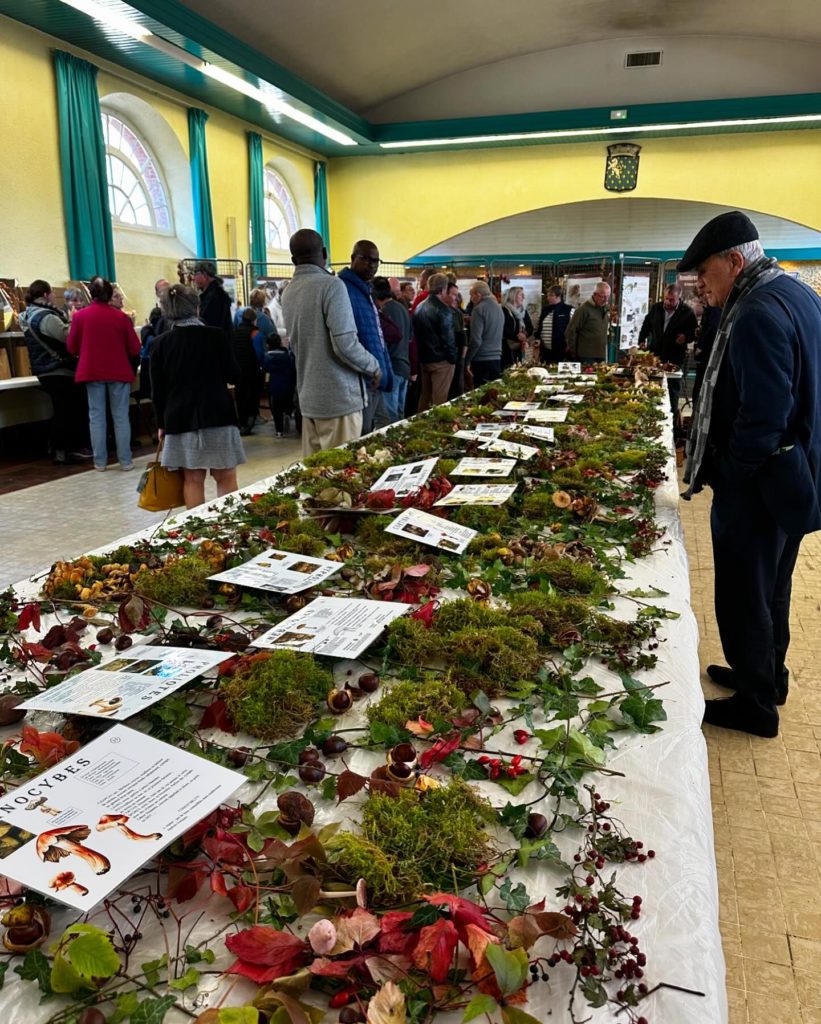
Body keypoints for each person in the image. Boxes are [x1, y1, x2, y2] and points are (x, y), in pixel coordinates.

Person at [680, 210, 821, 738]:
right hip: (794, 478)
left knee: (743, 595)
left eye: (706, 276)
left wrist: (733, 475)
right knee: (772, 589)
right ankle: (766, 676)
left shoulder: (758, 311)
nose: (702, 288)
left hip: (761, 488)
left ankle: (755, 705)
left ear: (734, 261)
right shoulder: (796, 292)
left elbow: (763, 415)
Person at [283, 228, 380, 455]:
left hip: (309, 399)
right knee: (342, 478)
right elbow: (344, 344)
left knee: (317, 476)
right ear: (324, 253)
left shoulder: (288, 291)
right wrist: (374, 367)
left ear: (293, 259)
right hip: (338, 400)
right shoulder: (332, 285)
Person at [150, 283, 245, 508]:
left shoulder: (160, 344)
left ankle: (198, 533)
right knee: (226, 476)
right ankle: (230, 527)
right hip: (218, 414)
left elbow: (158, 391)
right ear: (197, 307)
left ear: (167, 311)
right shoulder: (217, 336)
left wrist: (161, 424)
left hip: (179, 418)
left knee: (192, 480)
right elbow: (234, 375)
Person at [67, 276, 140, 471]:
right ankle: (125, 461)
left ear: (91, 293)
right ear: (109, 294)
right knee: (121, 416)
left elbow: (71, 346)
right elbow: (135, 348)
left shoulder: (80, 317)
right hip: (119, 371)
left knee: (96, 416)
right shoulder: (121, 317)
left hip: (92, 371)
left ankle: (99, 462)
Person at [19, 280, 90, 465]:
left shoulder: (28, 315)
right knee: (67, 409)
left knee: (62, 409)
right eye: (51, 293)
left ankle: (60, 448)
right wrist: (74, 319)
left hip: (44, 369)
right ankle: (65, 450)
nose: (53, 296)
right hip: (56, 369)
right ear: (45, 295)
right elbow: (66, 336)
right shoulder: (46, 317)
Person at [338, 240, 394, 435]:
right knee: (361, 435)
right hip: (362, 380)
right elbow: (346, 341)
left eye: (376, 261)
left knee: (383, 427)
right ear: (353, 258)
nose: (371, 265)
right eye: (366, 259)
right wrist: (372, 368)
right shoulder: (342, 289)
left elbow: (377, 336)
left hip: (375, 376)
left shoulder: (366, 291)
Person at [638, 283, 698, 415]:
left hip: (674, 357)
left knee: (672, 389)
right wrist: (641, 340)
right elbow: (646, 325)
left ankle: (671, 417)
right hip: (655, 355)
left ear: (679, 298)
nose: (668, 302)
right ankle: (652, 414)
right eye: (666, 298)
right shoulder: (656, 308)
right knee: (652, 385)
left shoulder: (687, 312)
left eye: (672, 300)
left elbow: (694, 332)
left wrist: (685, 337)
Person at [412, 273, 456, 411]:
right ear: (443, 289)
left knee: (425, 398)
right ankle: (436, 429)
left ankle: (419, 427)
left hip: (424, 359)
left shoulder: (419, 307)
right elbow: (448, 339)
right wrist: (453, 359)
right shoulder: (444, 310)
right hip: (441, 361)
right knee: (439, 400)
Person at [372, 276, 411, 426]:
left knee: (390, 417)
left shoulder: (384, 312)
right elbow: (410, 338)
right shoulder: (402, 308)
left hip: (392, 369)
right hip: (404, 367)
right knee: (399, 413)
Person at [232, 308, 265, 435]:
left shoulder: (234, 332)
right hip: (252, 370)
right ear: (254, 320)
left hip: (238, 370)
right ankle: (250, 422)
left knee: (240, 396)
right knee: (253, 395)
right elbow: (259, 354)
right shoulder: (255, 333)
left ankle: (242, 421)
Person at [466, 281, 504, 387]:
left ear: (478, 295)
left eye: (471, 296)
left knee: (482, 396)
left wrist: (467, 360)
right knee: (494, 393)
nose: (471, 299)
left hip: (481, 359)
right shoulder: (498, 308)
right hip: (496, 357)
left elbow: (476, 340)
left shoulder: (478, 309)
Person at [564, 281, 611, 363]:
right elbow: (570, 331)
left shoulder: (605, 308)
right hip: (585, 356)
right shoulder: (583, 310)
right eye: (603, 297)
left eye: (608, 296)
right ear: (595, 294)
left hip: (601, 355)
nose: (606, 300)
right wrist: (574, 352)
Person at [263, 335, 297, 437]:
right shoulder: (288, 357)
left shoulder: (267, 357)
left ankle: (279, 431)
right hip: (288, 385)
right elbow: (292, 370)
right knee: (288, 402)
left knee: (276, 409)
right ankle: (287, 413)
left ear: (268, 345)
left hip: (274, 386)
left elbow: (265, 369)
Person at [192, 260, 233, 342]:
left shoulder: (214, 297)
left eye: (196, 274)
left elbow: (207, 323)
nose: (194, 278)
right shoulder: (215, 293)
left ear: (205, 275)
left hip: (215, 343)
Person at [537, 286, 574, 362]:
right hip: (545, 351)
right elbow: (540, 328)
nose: (548, 298)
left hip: (562, 350)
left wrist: (570, 345)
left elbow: (574, 329)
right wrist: (537, 339)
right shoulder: (545, 310)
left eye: (551, 295)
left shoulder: (569, 310)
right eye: (548, 295)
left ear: (558, 296)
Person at [501, 286, 534, 369]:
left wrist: (525, 335)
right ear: (513, 296)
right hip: (507, 348)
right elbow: (503, 329)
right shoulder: (504, 310)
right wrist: (516, 336)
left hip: (522, 347)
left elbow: (530, 327)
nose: (524, 297)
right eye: (521, 295)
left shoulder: (523, 311)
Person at [447, 281, 468, 398]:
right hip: (448, 357)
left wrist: (462, 357)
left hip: (457, 356)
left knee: (456, 388)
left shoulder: (457, 312)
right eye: (454, 295)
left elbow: (462, 335)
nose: (456, 298)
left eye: (457, 295)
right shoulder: (445, 312)